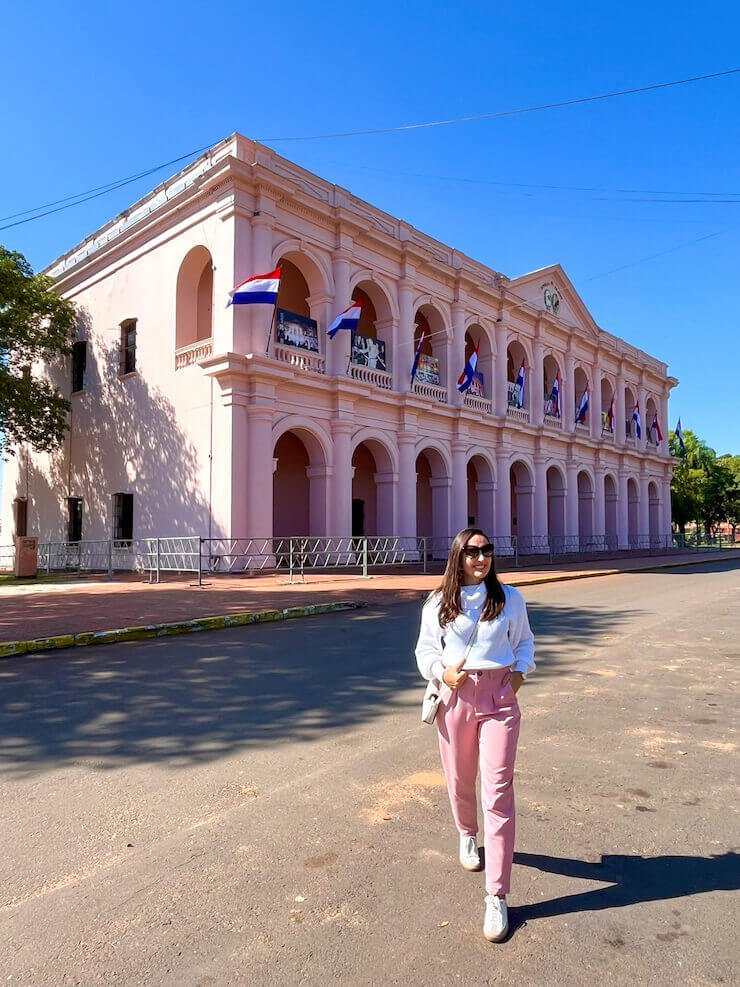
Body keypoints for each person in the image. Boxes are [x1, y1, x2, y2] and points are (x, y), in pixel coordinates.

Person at [415, 527, 535, 942]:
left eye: (486, 551)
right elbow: (425, 650)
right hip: (456, 697)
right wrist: (440, 673)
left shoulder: (509, 599)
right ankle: (467, 834)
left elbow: (525, 643)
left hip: (499, 699)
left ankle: (496, 894)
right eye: (471, 552)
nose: (481, 558)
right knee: (460, 780)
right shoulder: (438, 604)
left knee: (498, 791)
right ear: (457, 557)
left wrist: (516, 676)